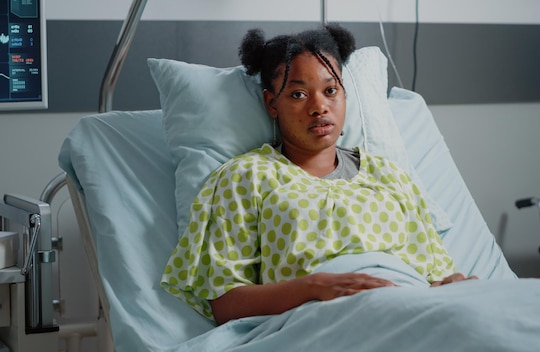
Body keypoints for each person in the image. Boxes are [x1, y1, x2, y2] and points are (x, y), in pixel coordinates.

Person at [161, 24, 476, 326]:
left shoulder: (391, 176)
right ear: (272, 103)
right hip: (323, 319)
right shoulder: (247, 178)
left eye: (330, 90)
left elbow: (437, 275)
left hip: (417, 308)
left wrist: (452, 288)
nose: (319, 107)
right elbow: (226, 303)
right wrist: (313, 287)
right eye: (298, 94)